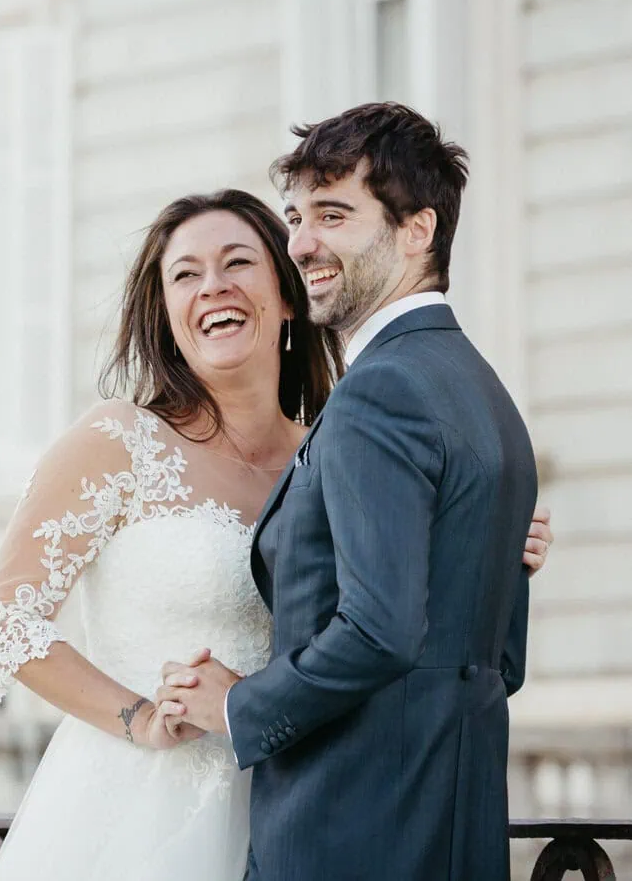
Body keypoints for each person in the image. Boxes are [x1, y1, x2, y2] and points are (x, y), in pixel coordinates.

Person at [0, 182, 553, 878]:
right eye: (186, 275)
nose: (212, 287)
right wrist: (139, 718)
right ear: (166, 315)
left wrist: (489, 548)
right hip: (141, 808)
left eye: (238, 263)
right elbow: (3, 620)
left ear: (286, 295)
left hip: (303, 800)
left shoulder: (343, 444)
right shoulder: (116, 440)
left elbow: (391, 623)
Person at [158, 103, 539, 881]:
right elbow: (499, 660)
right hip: (457, 834)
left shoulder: (381, 391)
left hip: (346, 833)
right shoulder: (485, 394)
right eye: (297, 217)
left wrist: (237, 708)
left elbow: (381, 631)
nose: (301, 243)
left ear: (417, 231)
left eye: (333, 215)